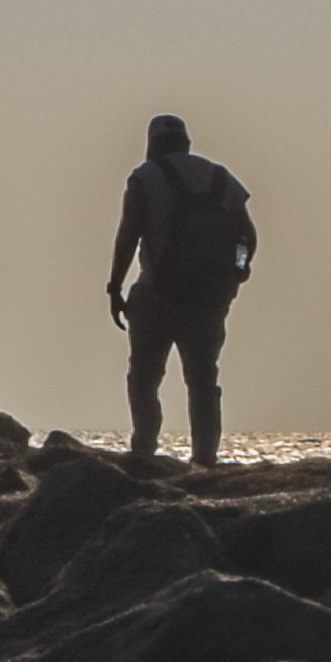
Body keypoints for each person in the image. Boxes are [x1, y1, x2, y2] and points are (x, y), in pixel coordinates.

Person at [104, 113, 255, 466]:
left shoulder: (145, 178)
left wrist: (114, 286)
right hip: (210, 297)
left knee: (145, 374)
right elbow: (248, 235)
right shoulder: (221, 177)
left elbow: (128, 235)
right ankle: (205, 457)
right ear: (186, 142)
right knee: (203, 379)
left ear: (152, 144)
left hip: (158, 291)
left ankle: (144, 448)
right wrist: (237, 271)